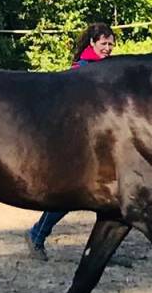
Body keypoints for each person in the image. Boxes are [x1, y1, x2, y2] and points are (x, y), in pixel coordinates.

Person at [25, 22, 116, 261]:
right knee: (71, 193)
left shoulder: (108, 68)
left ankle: (102, 249)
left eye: (111, 44)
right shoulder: (81, 70)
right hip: (77, 141)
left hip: (101, 142)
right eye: (104, 43)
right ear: (93, 43)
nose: (108, 48)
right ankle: (37, 233)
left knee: (110, 196)